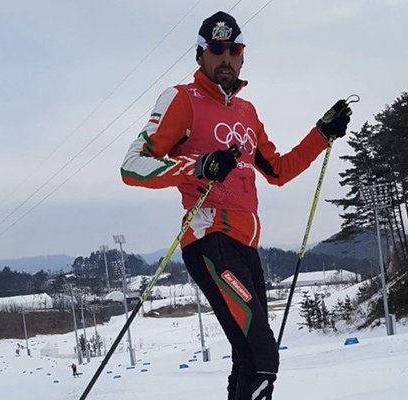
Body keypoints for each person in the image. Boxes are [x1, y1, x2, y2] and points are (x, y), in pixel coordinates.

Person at [120, 11, 351, 400]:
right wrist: (199, 164)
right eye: (216, 48)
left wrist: (321, 134)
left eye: (234, 49)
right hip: (210, 238)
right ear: (200, 55)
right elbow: (133, 166)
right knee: (262, 354)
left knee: (248, 357)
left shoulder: (246, 112)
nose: (226, 57)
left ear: (242, 56)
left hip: (245, 246)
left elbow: (277, 170)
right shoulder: (181, 99)